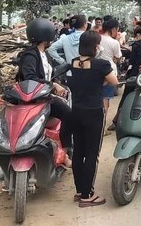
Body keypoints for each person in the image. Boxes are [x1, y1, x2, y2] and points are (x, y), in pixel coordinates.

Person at [68, 31, 118, 208]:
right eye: (98, 44)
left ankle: (80, 190)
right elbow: (114, 81)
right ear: (95, 46)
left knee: (79, 151)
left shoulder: (73, 63)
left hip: (76, 111)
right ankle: (88, 195)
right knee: (91, 153)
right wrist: (101, 81)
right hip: (94, 112)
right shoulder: (101, 64)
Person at [16, 18, 72, 157]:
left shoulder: (44, 54)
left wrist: (57, 82)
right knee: (69, 115)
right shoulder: (30, 55)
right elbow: (30, 78)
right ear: (47, 36)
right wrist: (53, 85)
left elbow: (50, 74)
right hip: (33, 98)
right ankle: (64, 154)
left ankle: (59, 147)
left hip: (43, 95)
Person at [109, 22, 141, 130]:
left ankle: (116, 121)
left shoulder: (135, 46)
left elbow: (132, 62)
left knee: (126, 97)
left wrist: (127, 74)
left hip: (136, 75)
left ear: (138, 35)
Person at [98, 18, 122, 116]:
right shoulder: (114, 42)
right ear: (113, 29)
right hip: (109, 72)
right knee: (105, 98)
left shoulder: (97, 38)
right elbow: (118, 57)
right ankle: (102, 126)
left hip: (96, 71)